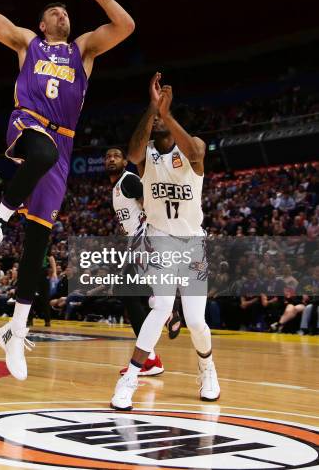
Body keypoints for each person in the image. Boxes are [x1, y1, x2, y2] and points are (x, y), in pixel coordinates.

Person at [0, 0, 135, 381]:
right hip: (28, 124)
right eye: (54, 11)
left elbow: (126, 26)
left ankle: (16, 331)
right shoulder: (26, 44)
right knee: (40, 149)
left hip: (63, 144)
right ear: (41, 25)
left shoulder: (84, 50)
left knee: (39, 241)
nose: (63, 12)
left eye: (66, 11)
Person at [110, 73, 220, 410]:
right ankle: (129, 377)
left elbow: (196, 150)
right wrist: (151, 107)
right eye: (155, 119)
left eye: (162, 117)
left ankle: (207, 367)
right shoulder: (146, 160)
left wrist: (167, 115)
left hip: (193, 243)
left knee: (197, 321)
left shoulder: (193, 150)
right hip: (160, 241)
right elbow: (132, 151)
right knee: (159, 308)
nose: (158, 120)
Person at [105, 146, 181, 377]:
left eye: (116, 156)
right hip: (135, 242)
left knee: (127, 292)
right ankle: (164, 313)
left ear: (125, 162)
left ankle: (150, 358)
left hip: (145, 240)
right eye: (108, 156)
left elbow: (151, 203)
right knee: (132, 295)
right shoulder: (117, 187)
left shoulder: (129, 180)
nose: (111, 159)